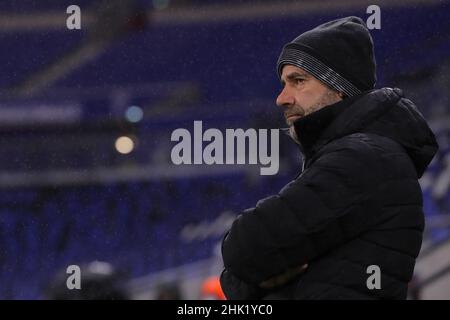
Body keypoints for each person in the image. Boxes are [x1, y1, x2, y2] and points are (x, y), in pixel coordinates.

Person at [220, 16, 439, 300]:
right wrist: (254, 279)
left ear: (339, 88)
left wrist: (254, 279)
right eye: (284, 83)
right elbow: (244, 268)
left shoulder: (365, 157)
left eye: (298, 81)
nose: (281, 98)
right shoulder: (359, 154)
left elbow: (243, 248)